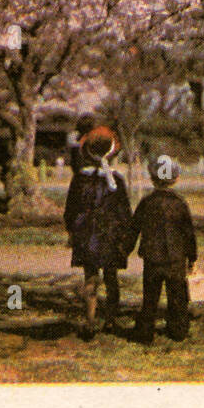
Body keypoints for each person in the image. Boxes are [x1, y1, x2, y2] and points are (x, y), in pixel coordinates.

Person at [63, 125, 132, 339]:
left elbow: (70, 211)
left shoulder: (80, 180)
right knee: (111, 278)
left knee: (90, 277)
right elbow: (124, 212)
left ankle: (90, 319)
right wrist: (125, 235)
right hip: (110, 234)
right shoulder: (116, 181)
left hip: (87, 234)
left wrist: (71, 232)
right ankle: (111, 320)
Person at [127, 153, 197, 345]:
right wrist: (192, 257)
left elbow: (134, 228)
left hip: (152, 258)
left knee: (150, 296)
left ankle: (145, 331)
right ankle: (178, 330)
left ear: (152, 178)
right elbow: (188, 233)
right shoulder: (179, 204)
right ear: (175, 179)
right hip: (175, 258)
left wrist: (124, 249)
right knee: (177, 296)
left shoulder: (146, 203)